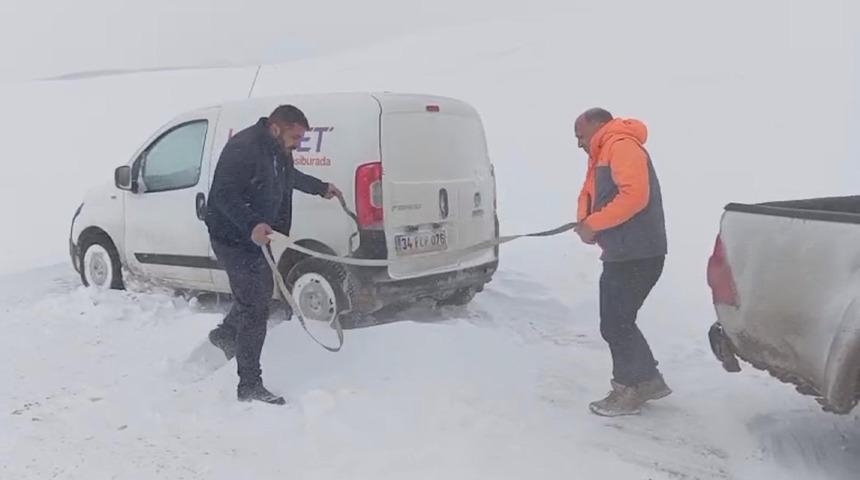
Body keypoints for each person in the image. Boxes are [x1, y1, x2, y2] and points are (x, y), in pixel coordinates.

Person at [204, 105, 342, 405]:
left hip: (258, 238)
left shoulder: (278, 149)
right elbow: (223, 194)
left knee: (259, 295)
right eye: (295, 137)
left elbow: (288, 177)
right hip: (232, 238)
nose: (298, 144)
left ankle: (226, 335)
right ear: (277, 128)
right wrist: (252, 224)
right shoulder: (244, 148)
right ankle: (249, 386)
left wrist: (321, 188)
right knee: (255, 307)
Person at [573, 108, 670, 417]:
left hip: (636, 253)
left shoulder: (620, 145)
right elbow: (601, 196)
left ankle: (633, 386)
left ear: (597, 126)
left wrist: (594, 223)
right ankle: (645, 380)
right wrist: (588, 224)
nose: (579, 143)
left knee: (616, 323)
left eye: (580, 136)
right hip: (628, 251)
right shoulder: (607, 149)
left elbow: (634, 196)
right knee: (618, 321)